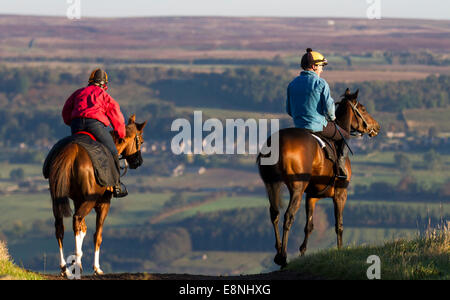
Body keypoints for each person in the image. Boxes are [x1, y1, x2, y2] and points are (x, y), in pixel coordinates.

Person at [62, 68, 128, 197]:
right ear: (105, 85)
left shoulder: (78, 93)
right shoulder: (104, 95)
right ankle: (116, 185)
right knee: (112, 151)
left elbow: (66, 112)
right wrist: (121, 134)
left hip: (76, 125)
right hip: (94, 125)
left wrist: (71, 122)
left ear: (90, 81)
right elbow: (117, 117)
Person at [286, 48, 350, 179]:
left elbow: (289, 110)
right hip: (317, 126)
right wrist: (332, 118)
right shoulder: (321, 83)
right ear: (314, 66)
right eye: (321, 66)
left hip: (298, 127)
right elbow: (329, 109)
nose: (322, 69)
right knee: (345, 135)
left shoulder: (292, 84)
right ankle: (341, 167)